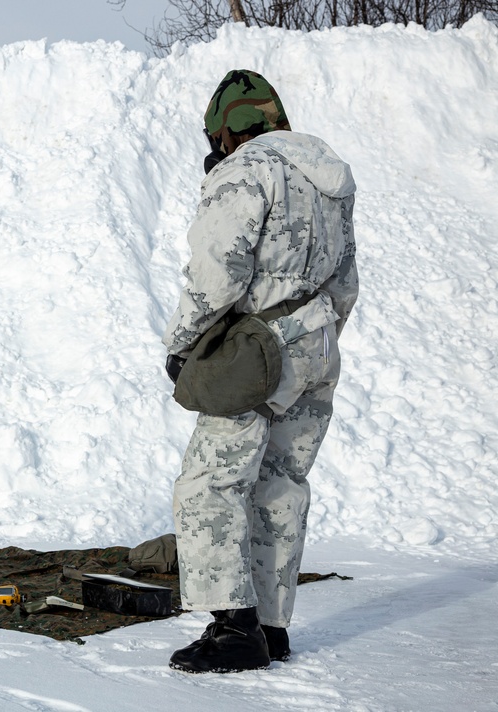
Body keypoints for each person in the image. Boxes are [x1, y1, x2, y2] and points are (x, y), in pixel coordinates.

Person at [162, 70, 359, 672]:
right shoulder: (330, 175)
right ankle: (271, 628)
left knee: (210, 484)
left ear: (227, 132)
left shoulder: (244, 170)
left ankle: (232, 627)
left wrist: (183, 345)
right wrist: (317, 339)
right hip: (317, 345)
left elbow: (217, 271)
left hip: (257, 351)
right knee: (282, 484)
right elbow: (346, 281)